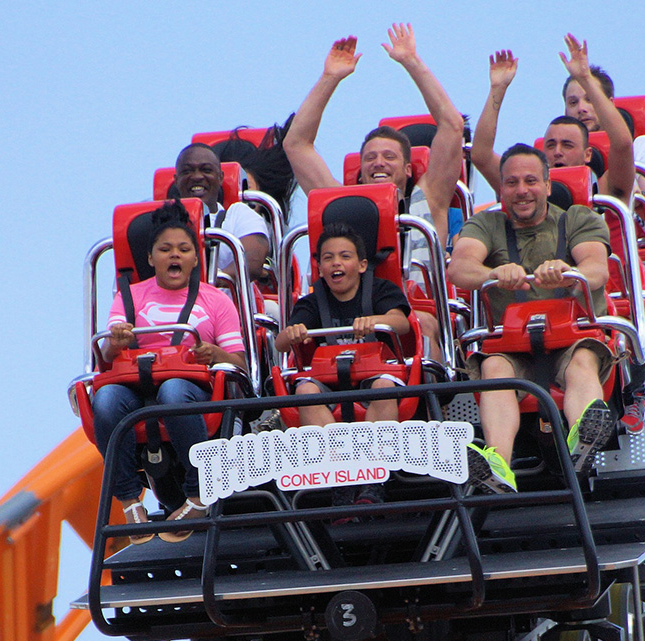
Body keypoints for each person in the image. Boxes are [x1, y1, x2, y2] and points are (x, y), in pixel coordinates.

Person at [284, 24, 461, 361]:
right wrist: (330, 78)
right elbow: (295, 144)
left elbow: (452, 128)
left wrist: (411, 61)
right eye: (370, 158)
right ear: (360, 169)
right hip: (345, 319)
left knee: (420, 322)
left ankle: (432, 397)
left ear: (408, 169)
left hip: (414, 315)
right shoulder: (340, 206)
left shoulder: (429, 198)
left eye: (390, 157)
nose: (379, 163)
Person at [447, 146, 616, 493]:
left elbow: (596, 269)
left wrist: (568, 272)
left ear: (548, 185)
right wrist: (493, 273)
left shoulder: (579, 219)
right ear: (501, 190)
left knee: (581, 362)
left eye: (530, 181)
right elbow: (460, 267)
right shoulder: (485, 224)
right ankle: (497, 465)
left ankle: (580, 440)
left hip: (572, 338)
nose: (521, 190)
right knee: (493, 368)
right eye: (511, 183)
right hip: (512, 346)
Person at [92, 201, 247, 541]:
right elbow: (105, 355)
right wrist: (117, 343)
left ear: (196, 258)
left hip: (190, 385)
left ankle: (197, 492)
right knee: (104, 400)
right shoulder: (128, 297)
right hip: (135, 385)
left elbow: (239, 363)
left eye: (183, 249)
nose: (174, 256)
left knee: (173, 392)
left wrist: (215, 353)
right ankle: (131, 500)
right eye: (165, 249)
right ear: (150, 258)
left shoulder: (216, 300)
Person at [277, 223, 412, 507]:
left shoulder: (380, 289)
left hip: (375, 372)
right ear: (320, 267)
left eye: (345, 256)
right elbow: (280, 343)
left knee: (384, 387)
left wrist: (375, 321)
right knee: (304, 393)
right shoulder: (312, 302)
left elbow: (401, 324)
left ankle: (373, 478)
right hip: (329, 379)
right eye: (328, 258)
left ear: (362, 265)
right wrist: (293, 333)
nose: (336, 263)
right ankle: (342, 476)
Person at [471, 36, 636, 205]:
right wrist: (497, 90)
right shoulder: (525, 188)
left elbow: (623, 144)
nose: (557, 152)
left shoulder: (606, 187)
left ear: (587, 154)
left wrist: (585, 78)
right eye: (550, 145)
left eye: (567, 145)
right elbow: (481, 156)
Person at [559, 47, 645, 196]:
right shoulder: (559, 157)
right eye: (572, 103)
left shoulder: (643, 147)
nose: (581, 108)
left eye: (589, 99)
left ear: (609, 105)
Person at [173, 142, 271, 284]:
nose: (197, 177)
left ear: (220, 177)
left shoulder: (239, 214)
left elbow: (252, 263)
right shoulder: (161, 221)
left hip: (224, 302)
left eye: (206, 170)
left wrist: (207, 287)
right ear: (176, 180)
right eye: (187, 171)